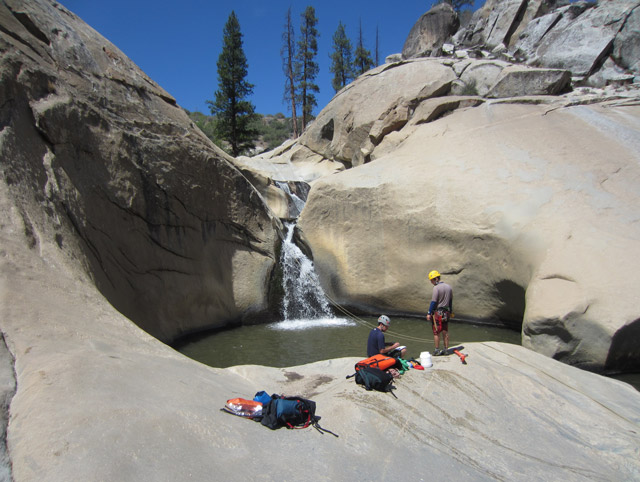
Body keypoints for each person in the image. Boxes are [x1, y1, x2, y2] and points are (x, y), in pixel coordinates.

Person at [426, 270, 453, 356]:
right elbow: (450, 301)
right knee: (445, 331)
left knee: (436, 332)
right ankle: (446, 350)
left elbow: (433, 302)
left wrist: (429, 313)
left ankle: (437, 350)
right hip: (446, 312)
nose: (432, 282)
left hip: (438, 313)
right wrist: (451, 311)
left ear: (436, 279)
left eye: (432, 280)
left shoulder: (436, 288)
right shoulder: (449, 287)